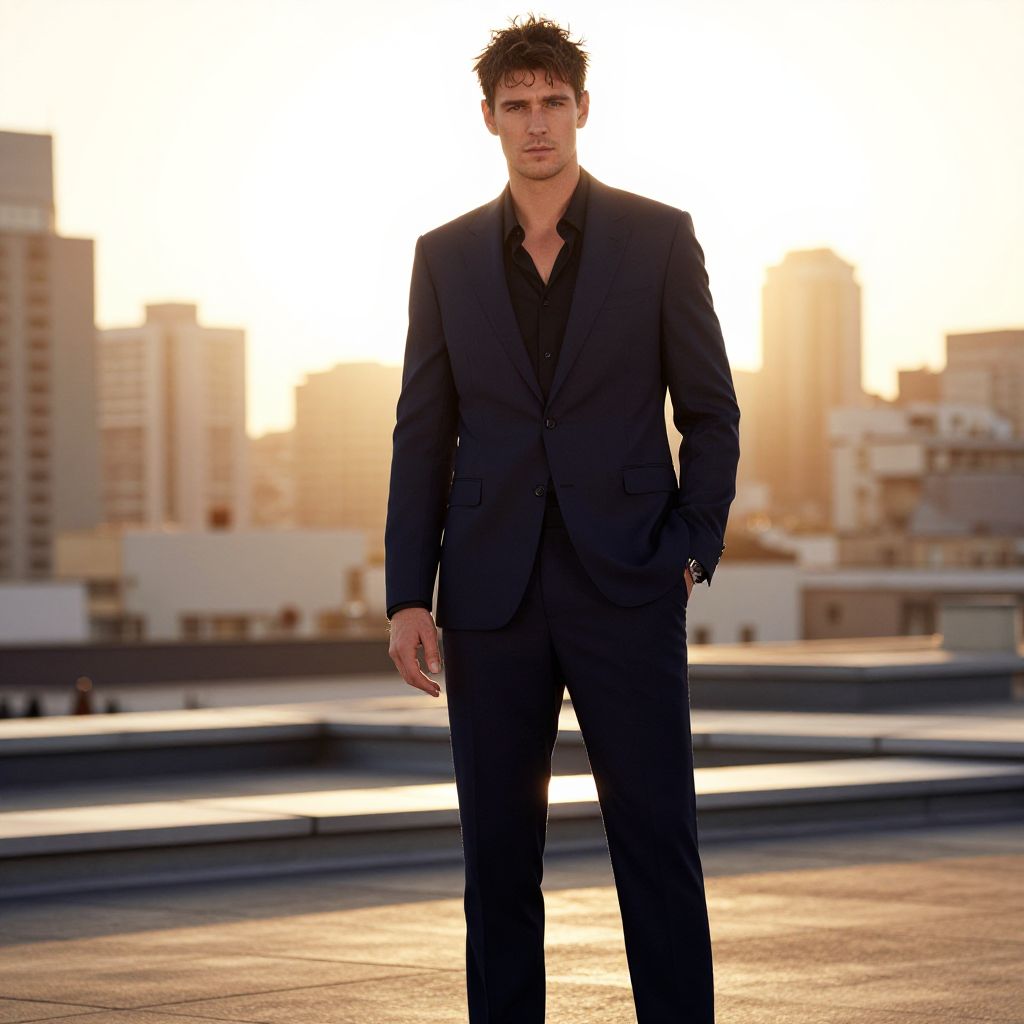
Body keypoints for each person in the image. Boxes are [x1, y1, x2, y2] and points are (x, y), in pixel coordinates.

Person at [384, 13, 739, 1022]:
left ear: (582, 110)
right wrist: (410, 593)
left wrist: (688, 551)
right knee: (496, 854)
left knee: (656, 841)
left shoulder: (657, 237)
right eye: (516, 106)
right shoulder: (443, 255)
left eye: (553, 103)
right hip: (489, 593)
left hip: (626, 579)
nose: (536, 124)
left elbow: (709, 411)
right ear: (488, 118)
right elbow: (421, 427)